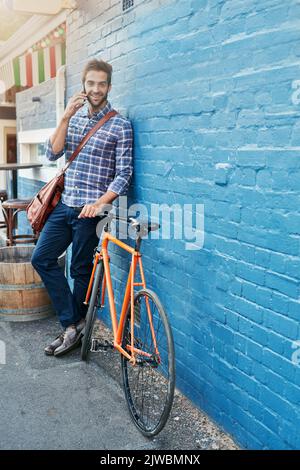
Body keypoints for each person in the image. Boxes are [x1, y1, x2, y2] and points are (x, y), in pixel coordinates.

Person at [31, 59, 133, 357]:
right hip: (64, 206)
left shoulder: (120, 125)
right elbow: (51, 153)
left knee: (80, 269)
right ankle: (73, 323)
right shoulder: (73, 119)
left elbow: (124, 174)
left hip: (92, 211)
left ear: (109, 86)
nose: (96, 89)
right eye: (91, 83)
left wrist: (100, 203)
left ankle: (71, 330)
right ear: (84, 86)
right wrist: (64, 117)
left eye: (102, 84)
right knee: (42, 257)